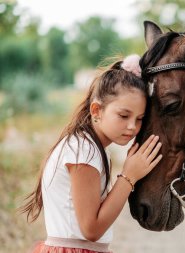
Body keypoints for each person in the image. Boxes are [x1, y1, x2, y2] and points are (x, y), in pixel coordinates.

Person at [21, 54, 162, 253]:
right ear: (96, 110)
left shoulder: (88, 147)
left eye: (140, 119)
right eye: (123, 115)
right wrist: (129, 176)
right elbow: (91, 229)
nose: (132, 127)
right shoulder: (83, 151)